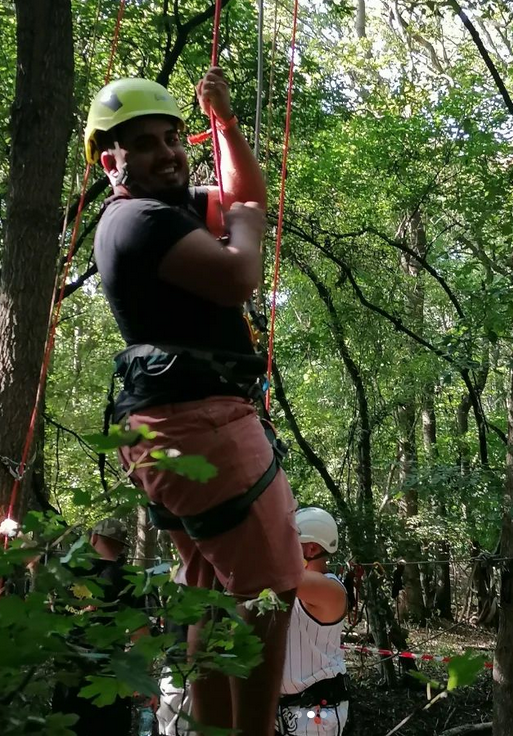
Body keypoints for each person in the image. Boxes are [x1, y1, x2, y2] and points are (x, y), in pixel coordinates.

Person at [85, 69, 304, 734]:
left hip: (174, 422)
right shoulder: (138, 220)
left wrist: (225, 124)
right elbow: (239, 273)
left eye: (173, 136)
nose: (167, 152)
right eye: (144, 143)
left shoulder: (163, 208)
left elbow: (245, 194)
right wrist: (242, 224)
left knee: (206, 591)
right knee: (272, 588)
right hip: (199, 421)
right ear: (110, 160)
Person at [51, 518, 146, 734]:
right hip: (111, 679)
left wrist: (16, 533)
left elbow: (35, 562)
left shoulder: (68, 570)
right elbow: (141, 635)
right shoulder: (130, 579)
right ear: (122, 547)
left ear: (93, 538)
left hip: (69, 674)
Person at [277, 507, 350, 736]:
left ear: (311, 548)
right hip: (284, 711)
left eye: (290, 543)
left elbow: (276, 574)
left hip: (316, 715)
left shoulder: (330, 589)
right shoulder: (291, 590)